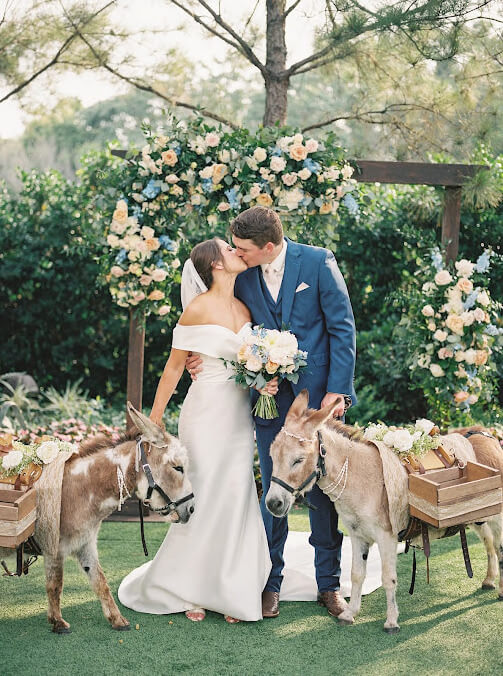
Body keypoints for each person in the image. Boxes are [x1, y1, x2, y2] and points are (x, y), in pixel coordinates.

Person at [187, 206, 357, 619]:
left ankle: (329, 585)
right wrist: (198, 355)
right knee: (273, 491)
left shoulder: (318, 262)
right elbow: (219, 319)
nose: (237, 254)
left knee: (320, 494)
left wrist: (337, 392)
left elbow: (342, 327)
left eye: (244, 249)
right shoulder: (241, 273)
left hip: (318, 404)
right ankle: (270, 582)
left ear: (268, 247)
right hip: (269, 403)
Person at [118, 238, 273, 623]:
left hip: (239, 417)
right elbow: (174, 367)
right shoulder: (197, 309)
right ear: (215, 265)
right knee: (200, 496)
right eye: (228, 248)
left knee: (236, 495)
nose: (236, 251)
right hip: (204, 413)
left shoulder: (244, 307)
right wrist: (154, 422)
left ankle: (232, 588)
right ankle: (190, 588)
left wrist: (263, 383)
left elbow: (244, 365)